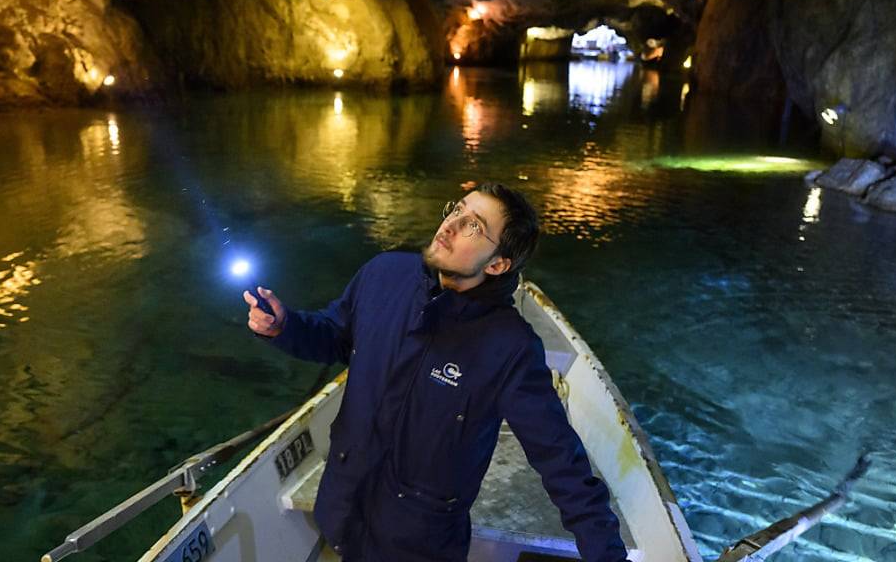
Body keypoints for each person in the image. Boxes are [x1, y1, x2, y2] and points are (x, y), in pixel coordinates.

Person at [244, 183, 630, 562]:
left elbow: (560, 460)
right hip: (342, 511)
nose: (449, 225)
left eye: (474, 226)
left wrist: (607, 555)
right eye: (456, 210)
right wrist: (285, 327)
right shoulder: (384, 274)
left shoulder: (509, 347)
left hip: (417, 544)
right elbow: (336, 335)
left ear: (497, 265)